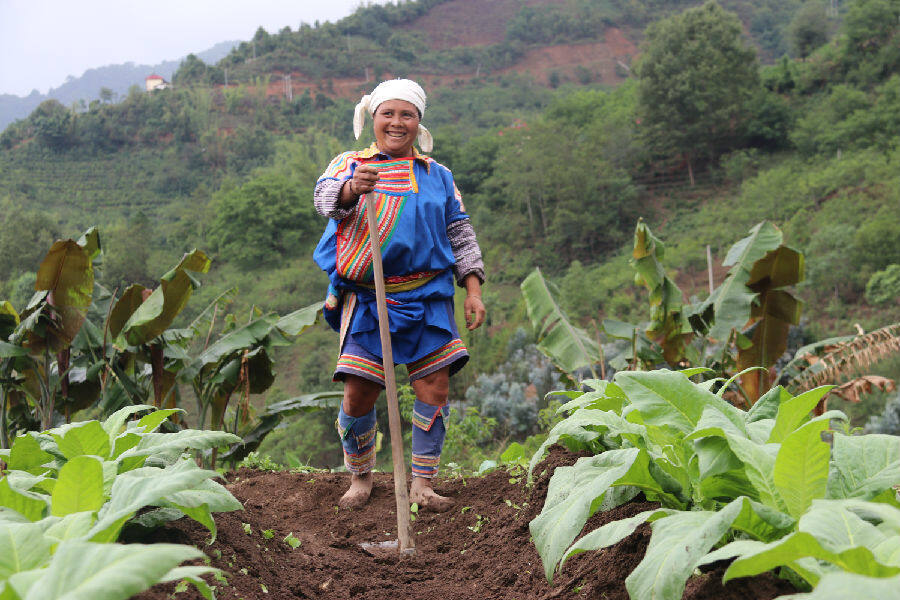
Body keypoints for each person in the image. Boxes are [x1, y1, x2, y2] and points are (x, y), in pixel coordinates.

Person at [313, 79, 486, 512]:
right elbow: (324, 200)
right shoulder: (350, 164)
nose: (396, 122)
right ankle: (361, 477)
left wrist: (473, 290)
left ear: (418, 121)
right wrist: (353, 188)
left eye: (406, 114)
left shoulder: (438, 175)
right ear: (372, 118)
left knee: (434, 387)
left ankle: (423, 484)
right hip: (369, 299)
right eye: (387, 113)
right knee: (359, 392)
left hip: (427, 296)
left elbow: (460, 233)